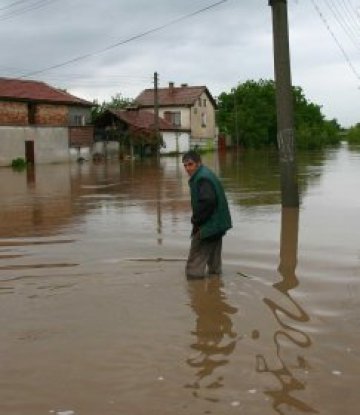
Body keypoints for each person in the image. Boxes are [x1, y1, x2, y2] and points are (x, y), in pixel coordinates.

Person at [182, 151, 232, 279]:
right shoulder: (206, 174)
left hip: (209, 227)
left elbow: (208, 201)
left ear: (198, 163)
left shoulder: (202, 178)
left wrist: (196, 221)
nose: (188, 168)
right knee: (214, 267)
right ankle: (216, 291)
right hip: (218, 226)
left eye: (190, 164)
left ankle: (196, 294)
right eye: (185, 165)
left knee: (193, 268)